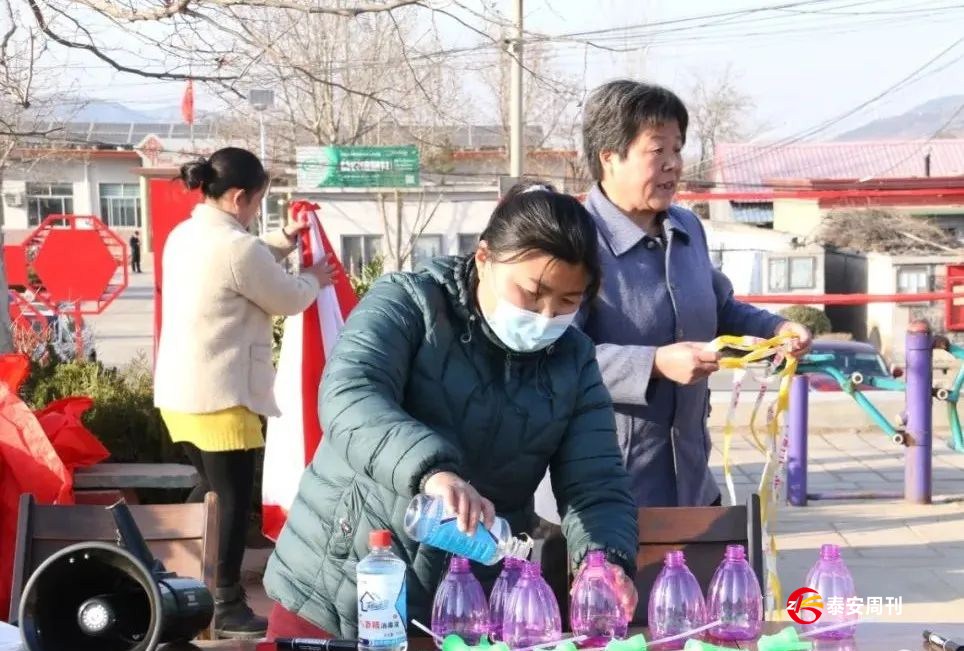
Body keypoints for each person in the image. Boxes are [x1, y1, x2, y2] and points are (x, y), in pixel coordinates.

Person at [262, 181, 638, 640]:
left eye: (567, 302)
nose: (544, 316)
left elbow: (594, 482)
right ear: (484, 259)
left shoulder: (573, 361)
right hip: (341, 582)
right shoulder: (411, 303)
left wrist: (603, 561)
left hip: (466, 607)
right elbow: (349, 394)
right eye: (531, 293)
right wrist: (434, 473)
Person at [537, 80, 811, 515]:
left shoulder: (687, 229)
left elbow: (719, 307)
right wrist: (655, 364)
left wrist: (775, 328)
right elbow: (552, 355)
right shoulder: (572, 239)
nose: (673, 165)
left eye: (678, 150)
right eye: (657, 151)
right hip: (609, 491)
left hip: (692, 479)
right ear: (609, 157)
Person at [153, 147, 336, 639]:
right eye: (257, 202)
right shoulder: (238, 249)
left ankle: (176, 579)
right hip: (222, 397)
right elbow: (285, 296)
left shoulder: (185, 234)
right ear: (238, 197)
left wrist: (280, 241)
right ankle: (226, 602)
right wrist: (314, 280)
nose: (257, 210)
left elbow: (247, 262)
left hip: (180, 394)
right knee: (232, 504)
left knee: (208, 495)